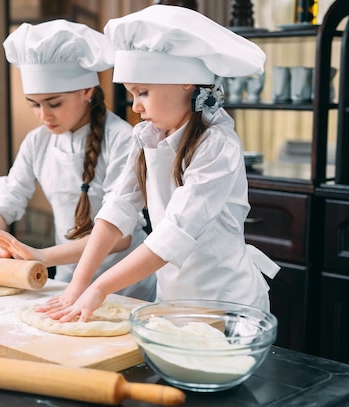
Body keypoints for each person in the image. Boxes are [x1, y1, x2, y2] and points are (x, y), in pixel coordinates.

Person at [41, 5, 280, 322]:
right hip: (173, 303)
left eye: (143, 92)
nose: (136, 106)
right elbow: (116, 212)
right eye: (131, 94)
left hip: (228, 307)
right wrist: (78, 284)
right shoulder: (146, 137)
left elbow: (173, 235)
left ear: (186, 82)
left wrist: (99, 288)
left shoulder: (217, 146)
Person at [0, 19, 156, 301]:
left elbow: (120, 236)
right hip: (67, 284)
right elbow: (3, 206)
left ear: (87, 91)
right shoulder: (37, 141)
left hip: (127, 288)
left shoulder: (123, 139)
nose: (43, 115)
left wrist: (41, 256)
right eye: (34, 104)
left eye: (54, 103)